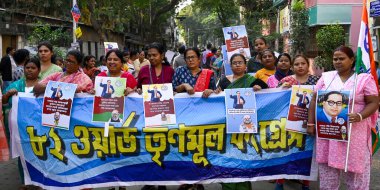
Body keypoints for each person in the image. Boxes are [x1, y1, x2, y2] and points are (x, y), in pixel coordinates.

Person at [307, 46, 378, 190]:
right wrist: (310, 123)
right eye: (335, 59)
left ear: (352, 60)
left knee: (356, 171)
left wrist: (359, 115)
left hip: (354, 133)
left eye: (342, 58)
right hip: (329, 133)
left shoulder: (363, 79)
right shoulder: (327, 77)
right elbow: (315, 99)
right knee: (328, 173)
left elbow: (374, 102)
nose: (338, 61)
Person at [217, 53, 267, 190]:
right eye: (234, 63)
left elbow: (268, 94)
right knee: (227, 157)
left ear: (245, 65)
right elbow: (218, 98)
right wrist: (214, 92)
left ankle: (244, 185)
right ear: (230, 65)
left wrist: (259, 89)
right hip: (228, 126)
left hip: (246, 128)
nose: (237, 65)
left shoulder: (252, 80)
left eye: (240, 62)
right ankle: (227, 185)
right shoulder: (224, 81)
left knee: (244, 157)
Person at [275, 54, 319, 190]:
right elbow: (275, 99)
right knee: (285, 152)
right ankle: (280, 181)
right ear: (292, 67)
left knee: (308, 153)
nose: (300, 66)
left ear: (308, 65)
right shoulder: (286, 80)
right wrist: (282, 88)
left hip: (310, 123)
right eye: (297, 64)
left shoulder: (317, 80)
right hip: (289, 123)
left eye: (303, 64)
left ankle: (306, 183)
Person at [137, 42, 172, 190]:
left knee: (164, 149)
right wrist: (137, 91)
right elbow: (138, 87)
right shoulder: (144, 70)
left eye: (155, 55)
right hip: (148, 116)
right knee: (149, 148)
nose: (151, 58)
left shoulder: (170, 70)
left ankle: (163, 181)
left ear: (162, 55)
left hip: (166, 116)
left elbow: (175, 88)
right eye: (149, 55)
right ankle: (150, 180)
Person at [2, 57, 41, 184]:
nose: (29, 70)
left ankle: (40, 182)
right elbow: (3, 101)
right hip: (21, 127)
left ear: (39, 70)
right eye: (27, 68)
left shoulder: (44, 85)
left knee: (40, 152)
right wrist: (8, 95)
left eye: (33, 68)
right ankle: (25, 182)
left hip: (39, 127)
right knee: (23, 153)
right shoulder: (17, 85)